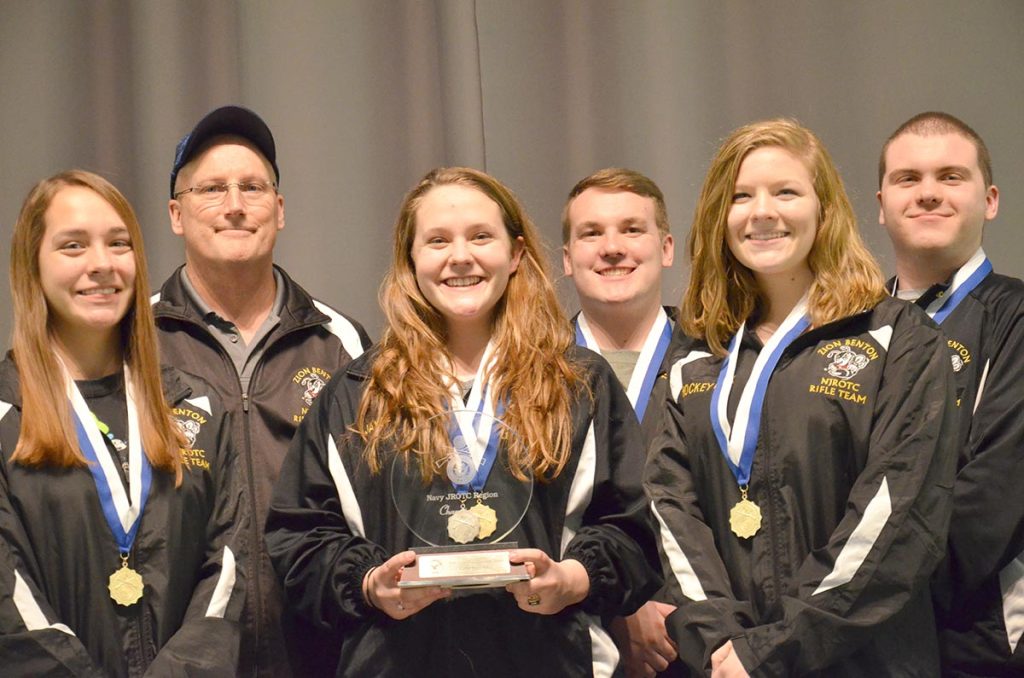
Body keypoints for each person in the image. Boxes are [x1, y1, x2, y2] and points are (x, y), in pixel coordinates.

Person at [265, 166, 661, 677]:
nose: (460, 256)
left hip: (551, 662)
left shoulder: (579, 384)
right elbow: (298, 537)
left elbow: (632, 530)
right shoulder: (357, 394)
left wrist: (574, 578)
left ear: (516, 253)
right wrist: (368, 583)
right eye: (437, 241)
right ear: (411, 258)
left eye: (480, 236)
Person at [646, 119, 958, 676]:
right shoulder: (696, 352)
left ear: (824, 209)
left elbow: (898, 517)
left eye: (785, 191)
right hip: (727, 665)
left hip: (862, 661)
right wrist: (720, 641)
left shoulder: (896, 338)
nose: (762, 211)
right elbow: (670, 509)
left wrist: (775, 651)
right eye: (741, 196)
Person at [153, 105, 370, 676]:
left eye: (252, 187)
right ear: (176, 214)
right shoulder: (132, 342)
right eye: (211, 189)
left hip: (323, 653)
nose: (234, 205)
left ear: (280, 209)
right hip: (178, 655)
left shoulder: (341, 341)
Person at [0, 170, 245, 676]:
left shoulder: (195, 407)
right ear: (32, 265)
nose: (102, 265)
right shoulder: (6, 414)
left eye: (119, 244)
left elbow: (226, 572)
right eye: (72, 246)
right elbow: (9, 596)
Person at [878, 111, 1024, 676]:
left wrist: (861, 601)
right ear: (882, 203)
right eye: (908, 179)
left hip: (973, 643)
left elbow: (993, 499)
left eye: (951, 176)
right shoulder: (844, 330)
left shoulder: (1015, 319)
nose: (929, 193)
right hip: (850, 647)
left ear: (989, 200)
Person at [562, 168, 681, 677]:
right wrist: (619, 607)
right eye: (591, 233)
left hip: (700, 642)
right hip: (576, 638)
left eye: (632, 229)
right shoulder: (528, 375)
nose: (612, 247)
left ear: (667, 247)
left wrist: (686, 617)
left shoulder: (724, 364)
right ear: (567, 259)